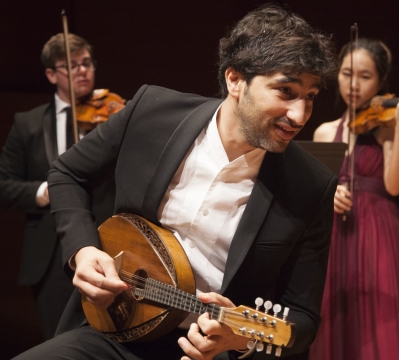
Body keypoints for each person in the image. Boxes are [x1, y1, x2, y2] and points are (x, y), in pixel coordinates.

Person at [14, 4, 337, 360]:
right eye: (286, 91)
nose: (300, 115)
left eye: (310, 96)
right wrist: (83, 249)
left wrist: (238, 340)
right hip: (115, 329)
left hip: (211, 353)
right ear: (235, 80)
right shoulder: (151, 113)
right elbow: (67, 173)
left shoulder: (311, 185)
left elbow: (302, 320)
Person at [310, 38, 399, 360]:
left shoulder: (387, 126)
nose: (353, 84)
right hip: (336, 236)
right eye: (347, 73)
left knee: (381, 322)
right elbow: (315, 195)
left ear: (381, 82)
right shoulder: (324, 132)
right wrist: (330, 194)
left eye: (365, 76)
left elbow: (394, 186)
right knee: (338, 320)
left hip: (379, 231)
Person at [0, 33, 115, 340]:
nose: (82, 70)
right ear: (51, 74)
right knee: (58, 341)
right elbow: (4, 185)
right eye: (71, 65)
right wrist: (43, 192)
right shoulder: (28, 124)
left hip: (107, 244)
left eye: (87, 63)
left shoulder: (113, 115)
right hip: (50, 255)